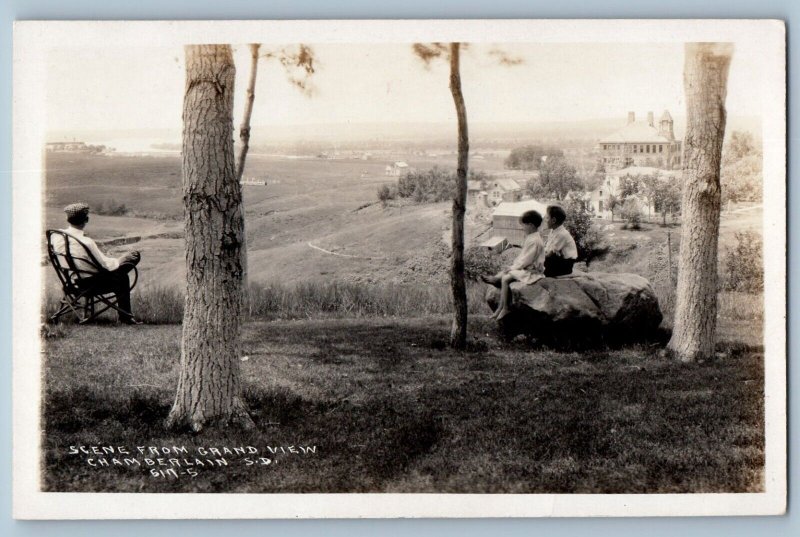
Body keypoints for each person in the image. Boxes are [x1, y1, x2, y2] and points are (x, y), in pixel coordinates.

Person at [52, 202, 143, 324]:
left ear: (68, 219)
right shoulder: (87, 242)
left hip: (71, 282)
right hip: (91, 284)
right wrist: (117, 260)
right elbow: (105, 266)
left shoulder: (56, 236)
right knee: (132, 258)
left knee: (120, 274)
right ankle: (125, 318)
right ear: (87, 219)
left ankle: (125, 317)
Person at [481, 210, 545, 320]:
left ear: (531, 225)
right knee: (506, 271)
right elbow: (522, 257)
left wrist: (513, 267)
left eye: (524, 225)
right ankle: (498, 308)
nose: (522, 228)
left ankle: (506, 307)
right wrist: (513, 265)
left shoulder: (535, 240)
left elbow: (526, 260)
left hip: (532, 270)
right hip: (527, 267)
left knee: (506, 278)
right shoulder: (531, 237)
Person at [543, 204, 578, 277]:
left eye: (547, 218)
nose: (545, 220)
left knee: (544, 261)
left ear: (553, 220)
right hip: (559, 261)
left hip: (565, 265)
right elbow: (547, 249)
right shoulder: (554, 231)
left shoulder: (562, 234)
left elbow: (550, 253)